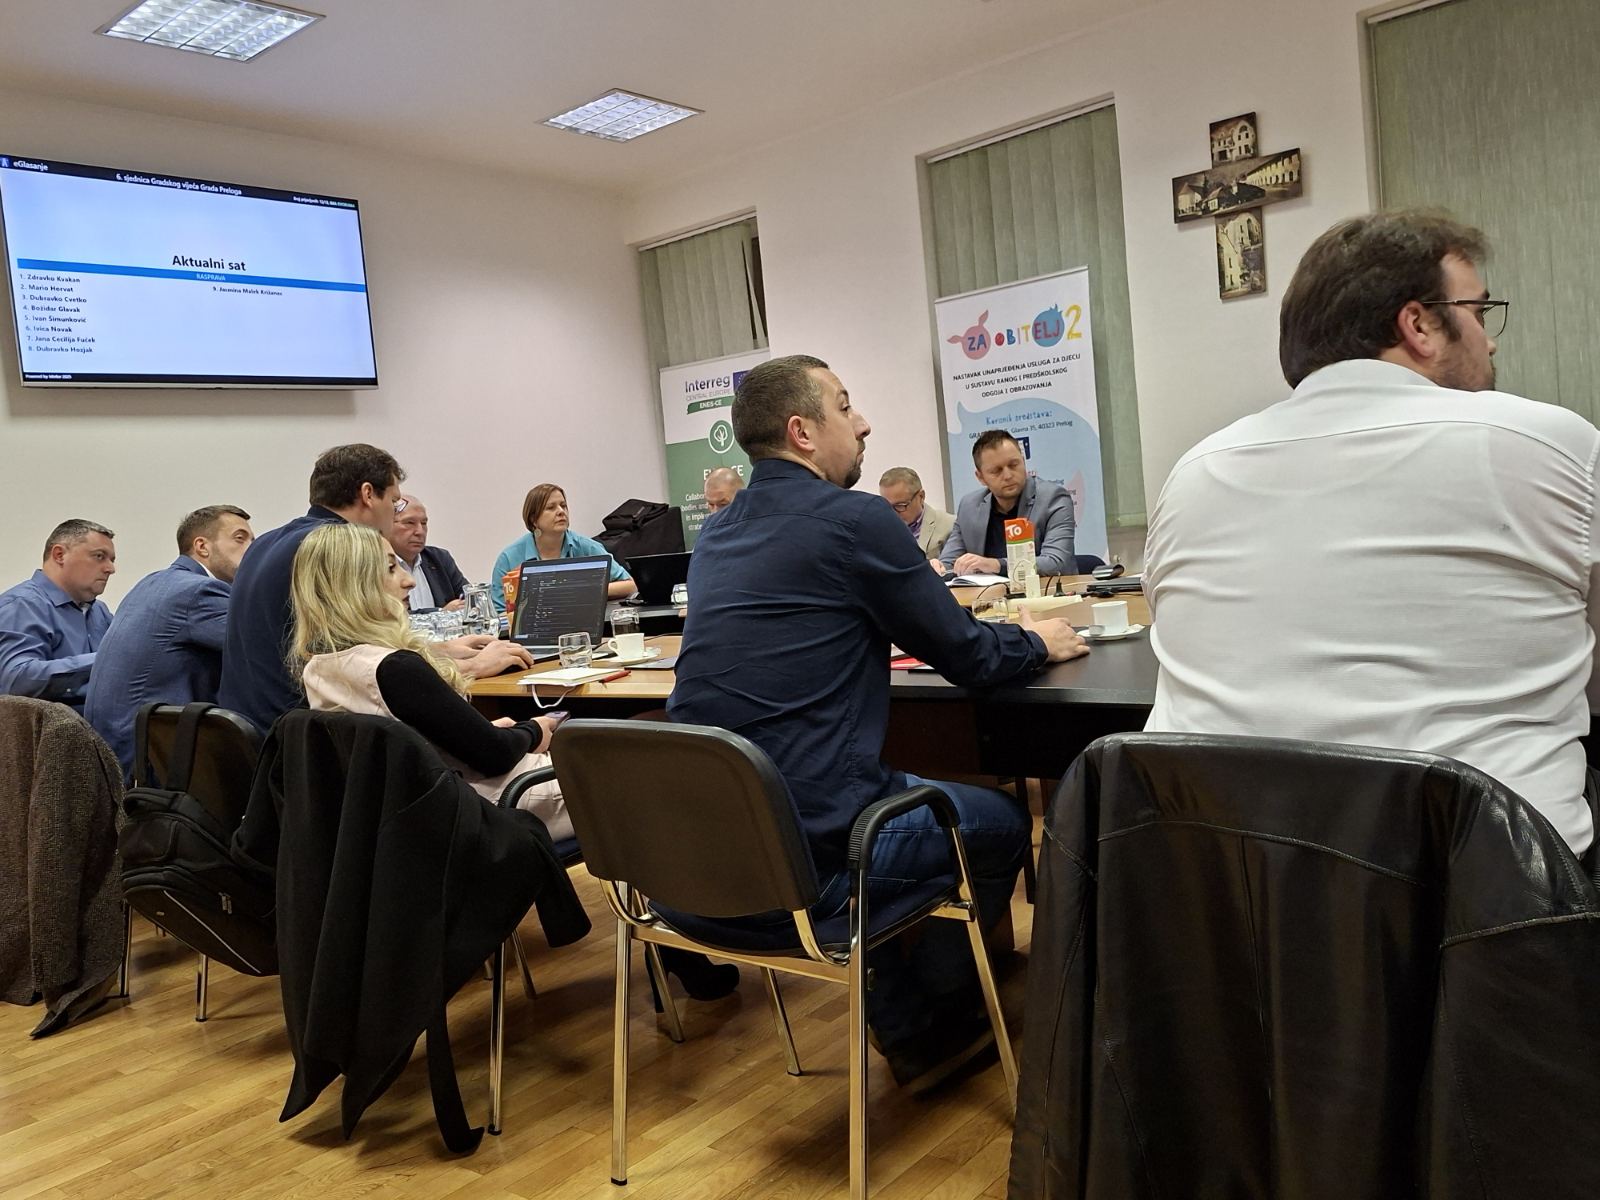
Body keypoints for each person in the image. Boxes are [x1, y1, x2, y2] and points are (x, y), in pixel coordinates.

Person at [669, 354, 1088, 1092]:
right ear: (802, 432)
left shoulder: (718, 534)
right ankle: (930, 1031)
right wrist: (1037, 641)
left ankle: (902, 1010)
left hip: (704, 864)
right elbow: (968, 656)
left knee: (879, 799)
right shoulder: (854, 519)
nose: (861, 423)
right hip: (814, 862)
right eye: (844, 405)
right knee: (996, 824)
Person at [1143, 209, 1597, 859]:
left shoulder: (1193, 472)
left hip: (1222, 896)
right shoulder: (1549, 443)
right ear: (1419, 325)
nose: (1490, 341)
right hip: (1489, 898)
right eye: (1478, 311)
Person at [291, 522, 734, 999]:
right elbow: (494, 755)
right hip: (491, 806)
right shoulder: (395, 668)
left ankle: (675, 948)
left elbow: (421, 743)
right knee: (644, 782)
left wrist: (490, 732)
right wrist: (534, 730)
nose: (407, 580)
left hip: (425, 817)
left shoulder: (321, 668)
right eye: (390, 569)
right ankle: (688, 946)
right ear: (356, 584)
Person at [219, 444, 534, 734]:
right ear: (368, 494)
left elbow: (337, 648)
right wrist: (473, 666)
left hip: (252, 732)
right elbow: (364, 676)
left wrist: (438, 651)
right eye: (394, 503)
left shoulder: (267, 543)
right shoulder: (334, 550)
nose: (407, 580)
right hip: (307, 738)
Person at [85, 505, 255, 779]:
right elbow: (262, 649)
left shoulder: (154, 582)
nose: (252, 549)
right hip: (151, 762)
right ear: (202, 546)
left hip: (116, 750)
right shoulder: (200, 591)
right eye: (240, 538)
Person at [0, 520, 117, 708]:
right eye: (99, 556)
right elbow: (17, 681)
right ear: (59, 555)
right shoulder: (22, 605)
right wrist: (105, 659)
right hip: (48, 727)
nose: (110, 569)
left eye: (112, 560)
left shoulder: (99, 611)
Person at [935, 431, 1076, 578]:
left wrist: (995, 565)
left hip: (1043, 591)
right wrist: (939, 567)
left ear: (1023, 462)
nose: (1008, 476)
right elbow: (949, 562)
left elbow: (1056, 563)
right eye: (996, 471)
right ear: (980, 477)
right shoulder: (969, 506)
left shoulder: (1053, 499)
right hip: (987, 592)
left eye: (1013, 465)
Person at [490, 483, 635, 613]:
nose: (561, 511)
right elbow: (500, 613)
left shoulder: (587, 547)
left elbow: (630, 585)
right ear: (533, 520)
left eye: (563, 505)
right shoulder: (509, 558)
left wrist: (587, 589)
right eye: (551, 507)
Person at [391, 494, 469, 611]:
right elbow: (386, 616)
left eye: (423, 523)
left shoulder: (439, 558)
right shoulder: (378, 564)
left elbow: (468, 597)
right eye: (409, 523)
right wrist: (441, 614)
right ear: (387, 524)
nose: (420, 531)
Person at [879, 466, 955, 559]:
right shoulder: (880, 529)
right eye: (887, 506)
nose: (893, 513)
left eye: (900, 505)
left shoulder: (950, 525)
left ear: (921, 496)